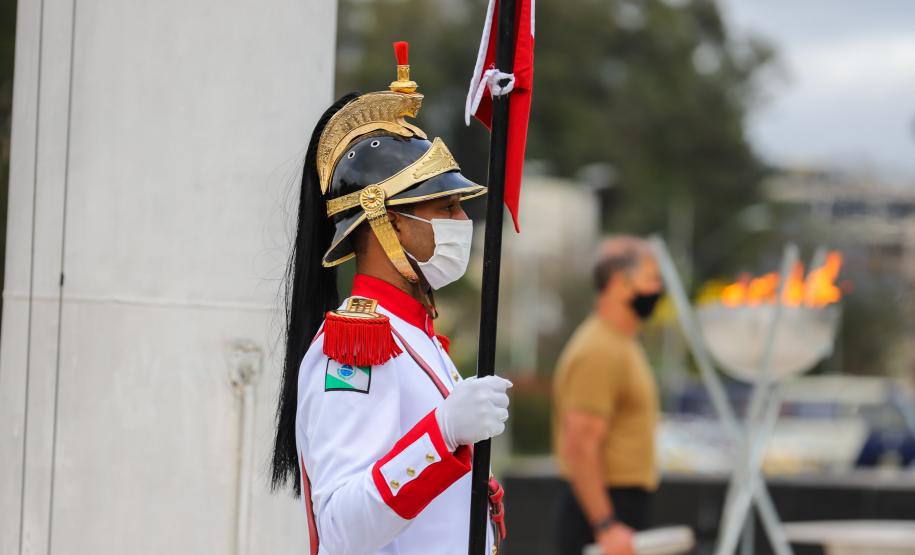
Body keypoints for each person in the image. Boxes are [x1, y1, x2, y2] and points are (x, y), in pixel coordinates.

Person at [270, 43, 510, 555]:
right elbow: (342, 528)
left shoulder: (417, 337)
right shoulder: (355, 346)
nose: (463, 221)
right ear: (387, 221)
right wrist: (443, 434)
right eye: (446, 206)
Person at [552, 236, 664, 555]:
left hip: (620, 507)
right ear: (619, 283)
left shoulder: (621, 342)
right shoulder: (599, 349)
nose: (658, 290)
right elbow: (581, 444)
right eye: (651, 279)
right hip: (602, 513)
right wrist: (605, 524)